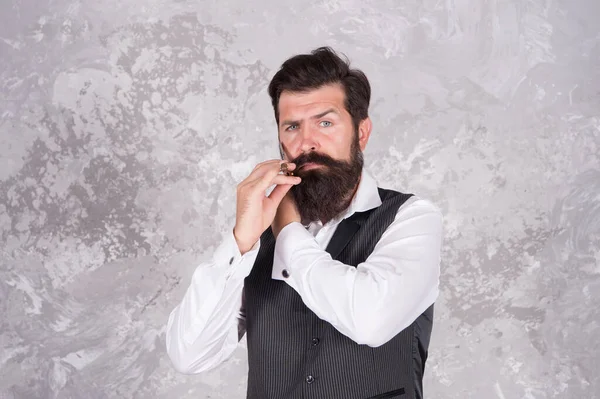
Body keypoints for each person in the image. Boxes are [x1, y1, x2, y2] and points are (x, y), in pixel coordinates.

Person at [165, 47, 443, 399]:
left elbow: (370, 320)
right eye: (292, 126)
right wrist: (242, 241)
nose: (307, 142)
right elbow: (189, 356)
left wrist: (288, 235)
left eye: (325, 123)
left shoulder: (410, 218)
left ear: (361, 132)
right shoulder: (258, 234)